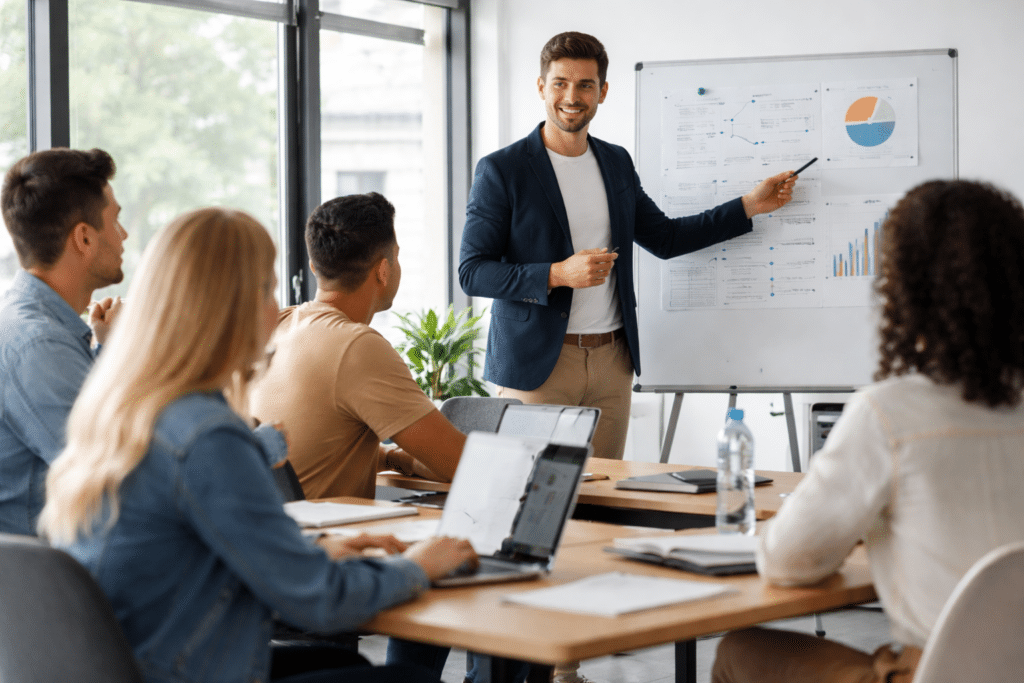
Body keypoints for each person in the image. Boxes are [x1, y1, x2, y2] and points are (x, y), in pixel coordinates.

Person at [37, 207, 478, 683]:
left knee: (341, 665)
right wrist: (419, 566)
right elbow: (319, 601)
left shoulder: (119, 410)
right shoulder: (206, 435)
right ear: (230, 307)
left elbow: (198, 554)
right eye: (267, 290)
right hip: (187, 668)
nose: (278, 309)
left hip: (142, 659)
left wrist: (322, 552)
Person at [711, 179, 1024, 683]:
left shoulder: (888, 414)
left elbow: (789, 563)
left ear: (905, 290)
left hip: (936, 674)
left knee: (741, 650)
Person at [459, 31, 798, 463]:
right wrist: (558, 274)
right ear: (541, 87)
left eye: (585, 85)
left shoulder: (616, 161)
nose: (572, 95)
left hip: (611, 363)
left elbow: (665, 237)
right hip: (538, 365)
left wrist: (749, 206)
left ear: (602, 91)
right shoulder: (502, 170)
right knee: (527, 498)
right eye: (560, 82)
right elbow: (472, 272)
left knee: (605, 501)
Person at [250, 192, 467, 500]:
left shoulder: (281, 325)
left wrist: (393, 458)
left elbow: (315, 442)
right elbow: (461, 464)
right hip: (323, 540)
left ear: (314, 267)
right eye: (397, 256)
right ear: (383, 270)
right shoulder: (356, 346)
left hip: (274, 532)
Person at [0, 147, 126, 535]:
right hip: (53, 579)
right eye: (116, 220)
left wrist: (108, 351)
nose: (123, 235)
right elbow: (112, 473)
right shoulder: (38, 345)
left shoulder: (38, 328)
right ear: (84, 239)